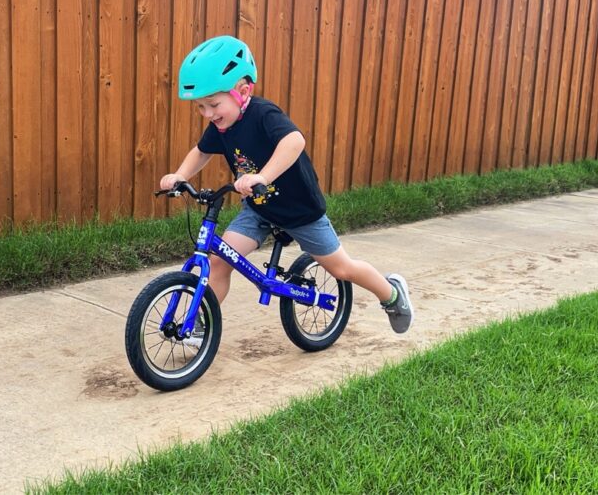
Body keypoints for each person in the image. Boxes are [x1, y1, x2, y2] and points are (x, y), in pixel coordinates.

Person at [160, 35, 414, 342]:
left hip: (300, 211)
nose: (208, 114)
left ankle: (391, 294)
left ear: (242, 91)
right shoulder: (221, 126)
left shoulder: (264, 115)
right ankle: (201, 322)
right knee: (219, 262)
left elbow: (294, 142)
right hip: (259, 210)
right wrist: (180, 175)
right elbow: (201, 151)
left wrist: (262, 176)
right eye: (201, 107)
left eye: (213, 104)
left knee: (343, 269)